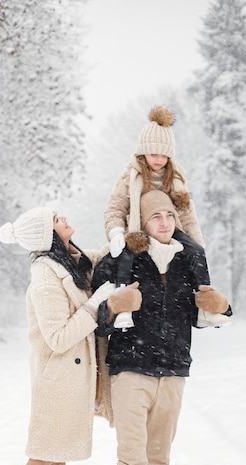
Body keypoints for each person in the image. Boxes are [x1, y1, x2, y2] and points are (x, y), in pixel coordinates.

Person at [0, 206, 141, 465]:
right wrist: (95, 305)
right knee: (42, 452)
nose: (65, 220)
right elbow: (58, 337)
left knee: (56, 449)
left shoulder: (71, 263)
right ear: (48, 234)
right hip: (55, 378)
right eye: (57, 219)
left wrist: (126, 242)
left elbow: (101, 258)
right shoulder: (44, 277)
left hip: (72, 377)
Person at [92, 190, 232, 465]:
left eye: (170, 215)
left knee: (159, 461)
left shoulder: (190, 260)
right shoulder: (121, 260)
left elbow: (210, 309)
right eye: (156, 216)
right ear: (143, 220)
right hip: (131, 370)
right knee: (131, 460)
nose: (165, 222)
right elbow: (96, 315)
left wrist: (223, 306)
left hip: (173, 371)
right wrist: (114, 306)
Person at [104, 104, 205, 329]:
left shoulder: (176, 177)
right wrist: (116, 231)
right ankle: (123, 304)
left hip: (170, 228)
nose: (159, 159)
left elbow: (187, 214)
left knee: (197, 252)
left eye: (164, 155)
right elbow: (115, 207)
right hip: (137, 228)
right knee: (126, 256)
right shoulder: (130, 176)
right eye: (153, 154)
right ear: (143, 152)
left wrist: (196, 242)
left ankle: (205, 300)